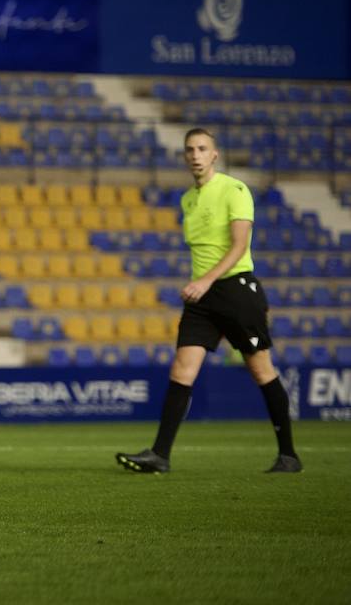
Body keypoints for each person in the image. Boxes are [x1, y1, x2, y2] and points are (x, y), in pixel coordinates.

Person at [117, 128, 301, 474]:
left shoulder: (234, 190)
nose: (196, 155)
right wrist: (200, 285)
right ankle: (160, 455)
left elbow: (238, 246)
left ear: (215, 154)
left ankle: (289, 455)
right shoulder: (188, 199)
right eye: (190, 150)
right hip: (203, 299)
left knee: (261, 370)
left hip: (235, 290)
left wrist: (204, 281)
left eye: (202, 149)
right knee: (181, 369)